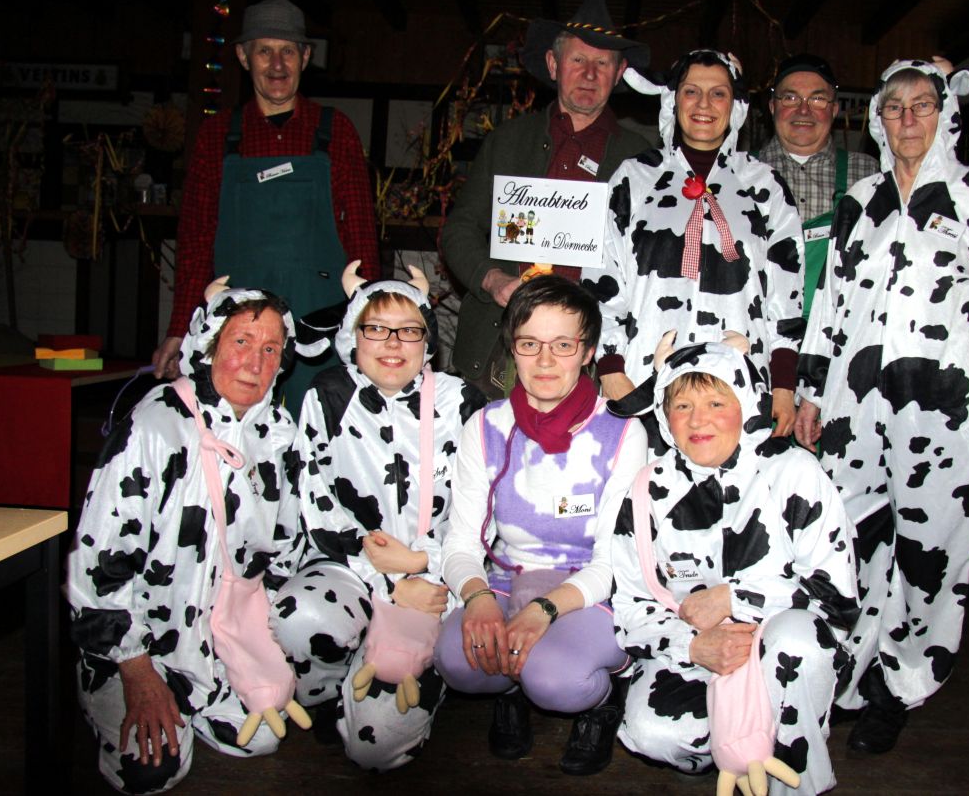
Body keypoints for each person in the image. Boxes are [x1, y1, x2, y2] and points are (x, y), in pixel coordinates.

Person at [794, 58, 969, 754]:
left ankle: (900, 682)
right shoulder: (858, 200)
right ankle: (849, 670)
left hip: (946, 405)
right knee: (851, 536)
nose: (907, 119)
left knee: (930, 549)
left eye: (922, 105)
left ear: (945, 114)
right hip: (856, 401)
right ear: (877, 119)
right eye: (894, 107)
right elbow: (829, 302)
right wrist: (812, 388)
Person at [67, 282, 305, 793]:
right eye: (241, 342)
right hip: (140, 646)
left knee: (261, 737)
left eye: (271, 349)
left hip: (221, 639)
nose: (255, 363)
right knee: (149, 771)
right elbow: (96, 562)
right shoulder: (156, 425)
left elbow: (284, 547)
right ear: (208, 345)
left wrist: (264, 642)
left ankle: (198, 698)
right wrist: (136, 670)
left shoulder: (277, 432)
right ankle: (106, 690)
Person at [609, 334, 858, 796]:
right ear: (664, 415)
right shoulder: (647, 491)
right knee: (652, 731)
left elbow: (836, 597)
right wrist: (692, 646)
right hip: (698, 651)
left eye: (716, 403)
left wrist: (733, 599)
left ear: (745, 404)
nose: (697, 420)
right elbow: (628, 606)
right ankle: (732, 745)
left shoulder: (794, 472)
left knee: (797, 644)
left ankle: (793, 773)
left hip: (782, 650)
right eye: (682, 405)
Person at [270, 264, 486, 770]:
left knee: (375, 748)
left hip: (434, 580)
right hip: (349, 567)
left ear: (427, 341)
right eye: (376, 328)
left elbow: (482, 514)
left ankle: (395, 677)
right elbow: (315, 503)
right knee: (298, 617)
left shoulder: (462, 402)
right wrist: (387, 581)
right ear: (353, 336)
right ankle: (330, 690)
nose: (392, 343)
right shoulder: (327, 395)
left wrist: (423, 564)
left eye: (408, 330)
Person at [434, 275, 647, 774]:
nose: (545, 361)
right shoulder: (485, 426)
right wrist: (478, 598)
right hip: (510, 577)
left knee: (556, 681)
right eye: (529, 344)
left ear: (588, 351)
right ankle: (511, 687)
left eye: (563, 345)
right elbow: (461, 541)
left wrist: (544, 609)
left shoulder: (622, 431)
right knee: (457, 661)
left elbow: (614, 560)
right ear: (513, 347)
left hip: (592, 587)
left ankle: (604, 698)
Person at [151, 0, 380, 417]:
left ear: (305, 57)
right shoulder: (217, 137)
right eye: (264, 52)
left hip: (320, 330)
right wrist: (178, 329)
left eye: (288, 51)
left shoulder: (336, 132)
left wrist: (374, 327)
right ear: (243, 57)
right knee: (235, 437)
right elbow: (196, 241)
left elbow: (362, 241)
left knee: (320, 436)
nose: (277, 65)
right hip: (240, 330)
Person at [440, 0, 651, 399]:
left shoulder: (643, 159)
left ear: (619, 72)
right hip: (500, 348)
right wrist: (493, 280)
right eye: (578, 60)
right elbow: (459, 229)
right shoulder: (507, 142)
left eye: (603, 63)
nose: (589, 74)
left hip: (594, 356)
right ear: (554, 64)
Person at [582, 49, 804, 441]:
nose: (704, 104)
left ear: (735, 106)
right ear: (673, 100)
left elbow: (786, 297)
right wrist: (612, 368)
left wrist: (784, 385)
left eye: (718, 93)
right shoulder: (636, 178)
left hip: (739, 388)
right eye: (691, 92)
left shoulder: (764, 185)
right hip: (646, 386)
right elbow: (602, 277)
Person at [754, 54, 879, 316]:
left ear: (834, 109)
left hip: (840, 331)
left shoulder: (870, 175)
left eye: (817, 99)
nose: (803, 110)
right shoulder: (739, 173)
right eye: (790, 98)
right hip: (757, 331)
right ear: (773, 106)